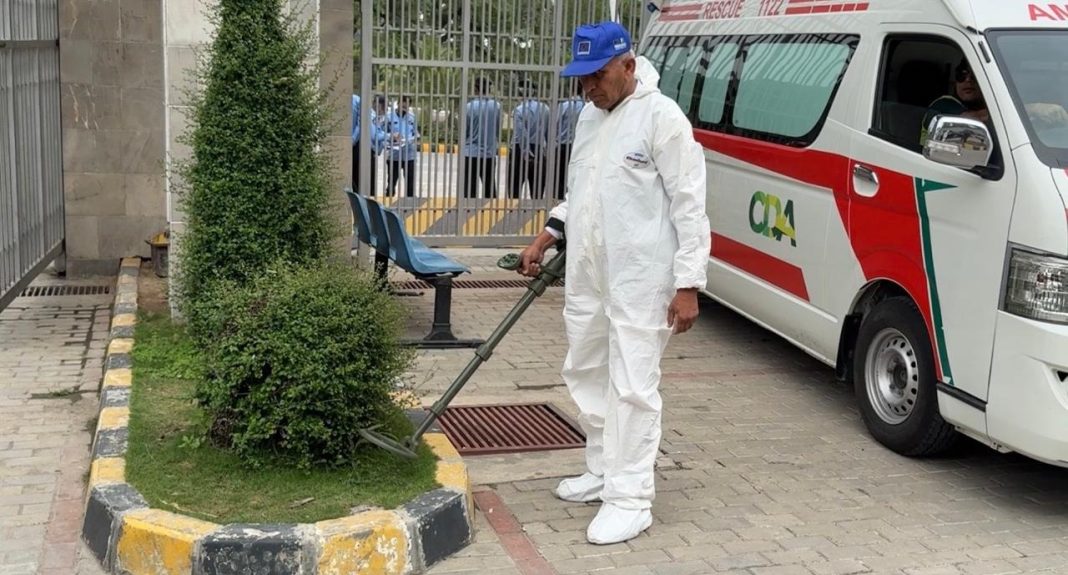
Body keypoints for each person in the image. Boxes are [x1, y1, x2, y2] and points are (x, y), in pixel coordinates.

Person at [515, 21, 710, 545]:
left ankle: (630, 498)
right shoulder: (589, 116)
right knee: (586, 369)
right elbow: (583, 189)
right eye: (580, 78)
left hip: (642, 281)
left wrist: (688, 283)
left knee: (632, 387)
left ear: (628, 65)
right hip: (589, 275)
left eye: (596, 76)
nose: (587, 88)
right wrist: (547, 235)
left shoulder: (662, 119)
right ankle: (602, 469)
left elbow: (690, 205)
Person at [921, 58, 989, 144]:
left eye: (975, 76)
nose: (968, 80)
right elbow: (971, 119)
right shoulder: (942, 104)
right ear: (955, 83)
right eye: (961, 76)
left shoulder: (983, 106)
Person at [462, 78, 503, 198]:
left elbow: (464, 131)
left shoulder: (468, 107)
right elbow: (497, 128)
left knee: (470, 190)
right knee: (489, 188)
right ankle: (490, 209)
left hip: (471, 153)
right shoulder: (497, 106)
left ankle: (469, 208)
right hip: (489, 153)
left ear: (475, 89)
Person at [509, 84, 550, 199]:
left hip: (519, 150)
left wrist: (526, 152)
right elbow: (548, 132)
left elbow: (521, 133)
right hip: (538, 149)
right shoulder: (545, 109)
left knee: (514, 189)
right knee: (537, 190)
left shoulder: (519, 110)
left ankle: (514, 209)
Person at [553, 81, 585, 200]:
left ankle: (559, 201)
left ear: (570, 90)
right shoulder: (586, 106)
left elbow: (556, 125)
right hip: (579, 146)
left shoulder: (564, 106)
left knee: (560, 177)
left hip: (563, 146)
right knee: (577, 176)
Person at [386, 95, 420, 197]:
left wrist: (415, 138)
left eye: (407, 104)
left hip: (409, 154)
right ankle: (389, 199)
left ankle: (409, 202)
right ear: (398, 103)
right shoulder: (389, 117)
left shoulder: (412, 118)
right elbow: (383, 133)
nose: (405, 106)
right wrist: (391, 137)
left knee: (410, 182)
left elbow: (416, 133)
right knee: (392, 181)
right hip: (394, 154)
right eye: (403, 103)